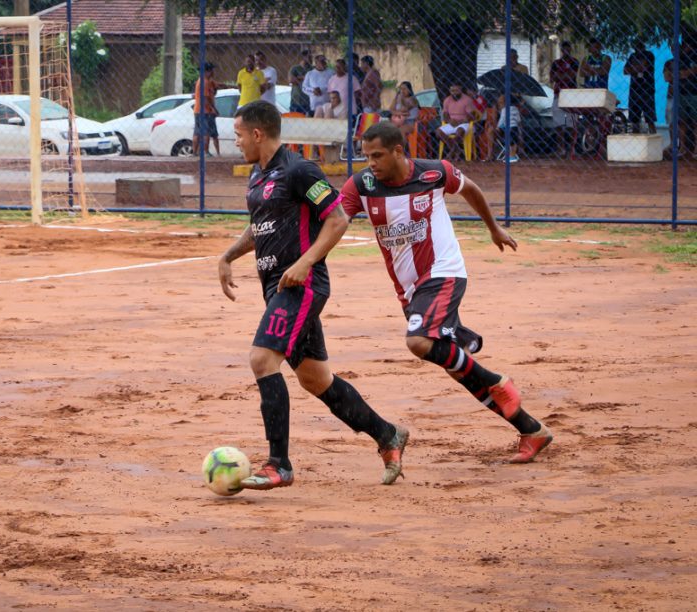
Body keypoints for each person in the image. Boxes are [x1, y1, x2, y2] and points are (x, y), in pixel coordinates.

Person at [217, 100, 409, 490]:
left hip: (301, 286)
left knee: (261, 359)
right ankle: (388, 435)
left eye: (238, 134)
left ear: (257, 133)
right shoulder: (258, 176)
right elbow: (262, 227)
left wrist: (305, 262)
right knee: (315, 379)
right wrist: (229, 255)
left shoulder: (299, 170)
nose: (235, 142)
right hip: (276, 287)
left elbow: (337, 218)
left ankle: (278, 465)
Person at [340, 121, 553, 468]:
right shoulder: (361, 185)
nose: (371, 163)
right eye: (366, 156)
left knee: (419, 343)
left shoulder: (434, 172)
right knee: (456, 367)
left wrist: (493, 227)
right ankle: (531, 429)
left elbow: (470, 189)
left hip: (443, 272)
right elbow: (335, 220)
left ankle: (498, 383)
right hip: (410, 292)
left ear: (398, 150)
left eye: (377, 155)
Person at [550, 41, 580, 157]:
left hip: (571, 93)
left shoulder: (574, 61)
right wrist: (562, 76)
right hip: (558, 93)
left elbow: (572, 75)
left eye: (568, 49)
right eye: (564, 49)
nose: (566, 51)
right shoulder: (556, 63)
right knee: (558, 123)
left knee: (572, 123)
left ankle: (572, 148)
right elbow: (552, 78)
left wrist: (560, 76)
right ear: (562, 50)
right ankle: (560, 148)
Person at [435, 81, 479, 160]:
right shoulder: (447, 100)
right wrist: (449, 121)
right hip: (451, 123)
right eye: (452, 91)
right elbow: (445, 114)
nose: (454, 93)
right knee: (438, 132)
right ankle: (456, 149)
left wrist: (461, 121)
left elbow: (471, 115)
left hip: (465, 123)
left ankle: (452, 151)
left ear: (461, 90)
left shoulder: (467, 100)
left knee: (459, 131)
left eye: (456, 91)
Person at [624, 40, 657, 134]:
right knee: (634, 120)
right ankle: (636, 140)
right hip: (634, 89)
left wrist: (633, 68)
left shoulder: (649, 55)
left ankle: (653, 137)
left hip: (647, 89)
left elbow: (644, 67)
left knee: (650, 119)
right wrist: (636, 68)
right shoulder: (632, 56)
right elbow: (625, 70)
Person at [192, 62, 220, 157]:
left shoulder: (202, 81)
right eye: (211, 70)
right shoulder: (205, 82)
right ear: (207, 71)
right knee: (206, 132)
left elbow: (217, 85)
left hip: (198, 110)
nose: (213, 72)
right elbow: (206, 98)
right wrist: (214, 108)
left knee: (197, 132)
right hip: (204, 110)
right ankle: (205, 151)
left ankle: (195, 152)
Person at [288, 49, 314, 115]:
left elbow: (312, 80)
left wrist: (299, 77)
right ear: (303, 57)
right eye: (309, 57)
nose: (311, 58)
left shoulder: (312, 69)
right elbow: (291, 80)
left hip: (308, 102)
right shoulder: (295, 68)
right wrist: (304, 78)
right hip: (296, 101)